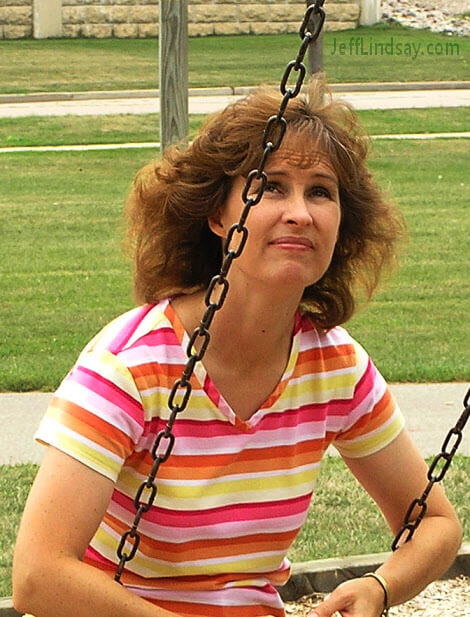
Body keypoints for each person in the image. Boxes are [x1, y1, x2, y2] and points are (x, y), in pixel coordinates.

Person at [13, 75, 462, 617]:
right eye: (271, 186)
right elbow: (38, 576)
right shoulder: (130, 367)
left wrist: (378, 587)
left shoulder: (335, 366)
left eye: (320, 191)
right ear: (216, 214)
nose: (300, 211)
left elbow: (435, 524)